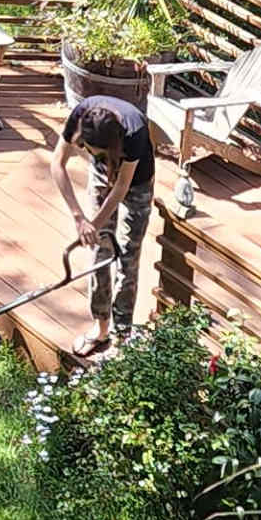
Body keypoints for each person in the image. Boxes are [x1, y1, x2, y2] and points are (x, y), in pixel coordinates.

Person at [59, 90, 158, 351]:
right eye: (88, 150)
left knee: (127, 256)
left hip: (136, 183)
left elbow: (122, 187)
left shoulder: (134, 131)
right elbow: (56, 165)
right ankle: (101, 328)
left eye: (97, 153)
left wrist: (95, 222)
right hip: (103, 180)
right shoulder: (82, 115)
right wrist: (81, 219)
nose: (88, 153)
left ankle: (122, 336)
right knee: (99, 252)